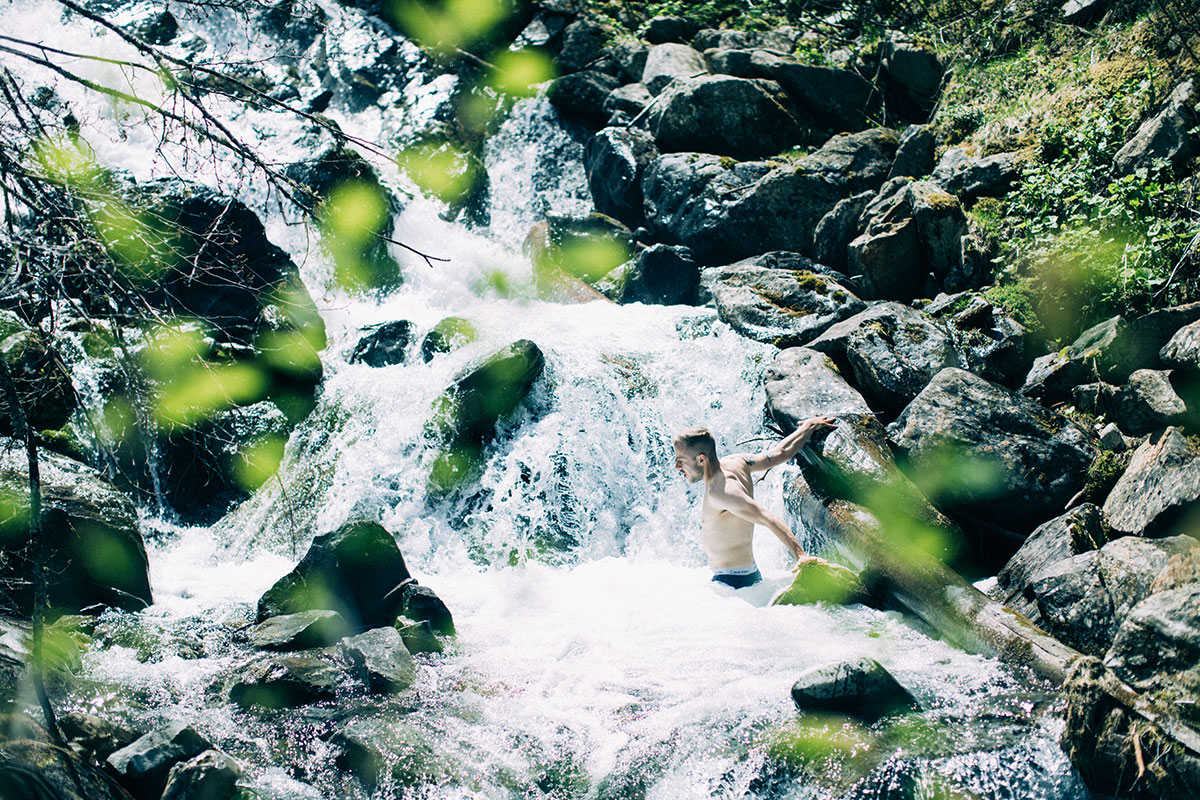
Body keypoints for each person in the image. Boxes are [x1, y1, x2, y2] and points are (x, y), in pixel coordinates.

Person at [673, 417, 838, 588]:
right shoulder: (735, 461)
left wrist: (800, 555)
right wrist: (808, 427)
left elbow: (766, 516)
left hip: (732, 583)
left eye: (681, 460)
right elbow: (780, 453)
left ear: (701, 459)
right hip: (742, 577)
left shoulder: (721, 492)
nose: (676, 466)